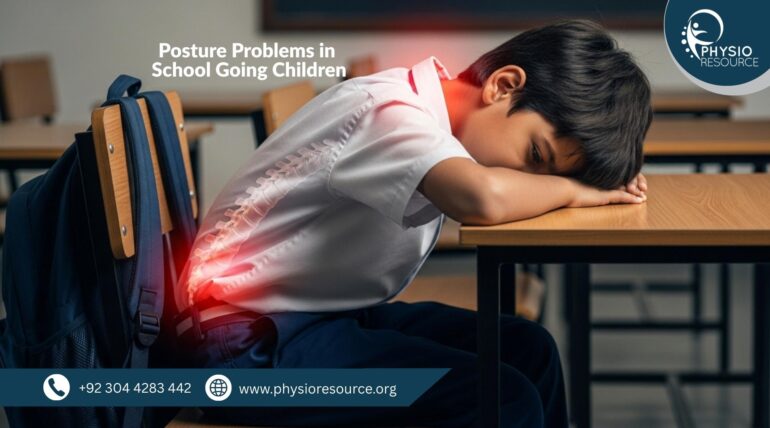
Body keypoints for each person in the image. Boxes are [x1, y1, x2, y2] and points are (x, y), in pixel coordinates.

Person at [175, 19, 652, 427]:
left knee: (530, 348)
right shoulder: (388, 112)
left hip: (314, 320)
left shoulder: (428, 113)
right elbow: (480, 198)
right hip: (243, 353)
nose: (529, 181)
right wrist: (579, 191)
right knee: (504, 399)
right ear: (503, 86)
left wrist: (574, 183)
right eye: (535, 156)